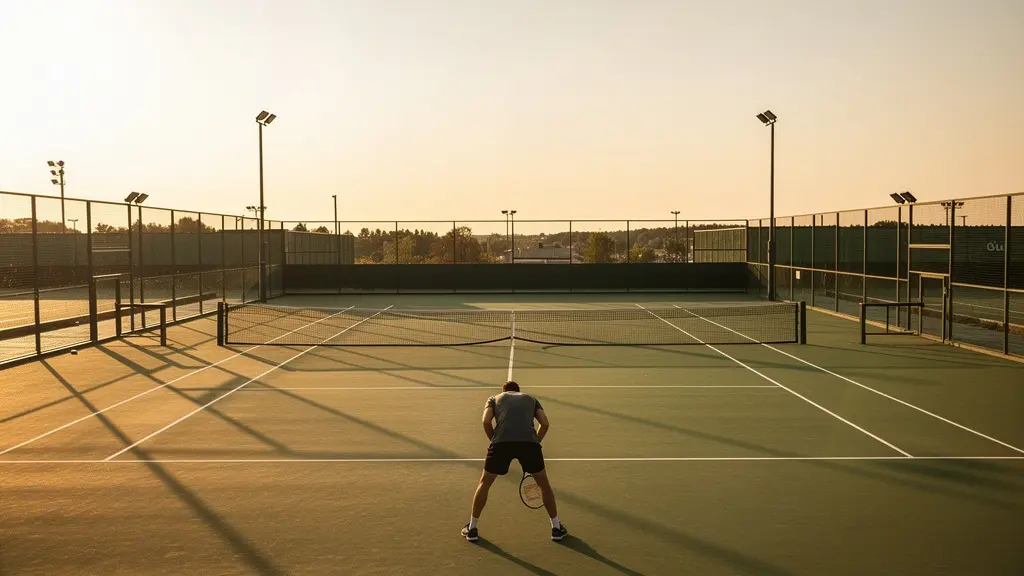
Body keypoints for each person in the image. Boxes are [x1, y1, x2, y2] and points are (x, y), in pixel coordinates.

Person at [462, 380, 567, 542]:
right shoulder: (531, 398)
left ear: (504, 391)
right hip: (529, 445)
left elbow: (485, 421)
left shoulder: (493, 398)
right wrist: (535, 442)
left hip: (501, 445)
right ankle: (556, 528)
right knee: (543, 485)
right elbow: (545, 423)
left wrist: (494, 439)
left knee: (485, 483)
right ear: (519, 391)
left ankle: (472, 528)